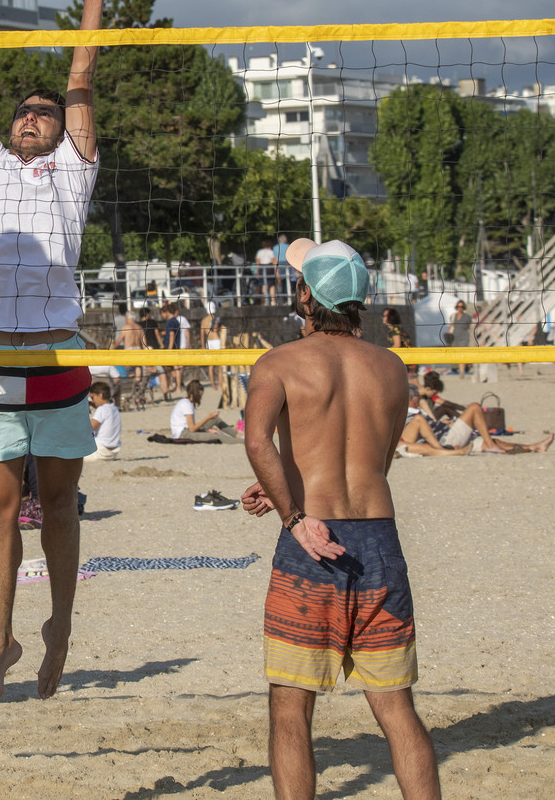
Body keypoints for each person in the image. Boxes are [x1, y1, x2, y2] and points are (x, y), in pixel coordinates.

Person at [0, 0, 124, 711]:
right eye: (24, 112)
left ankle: (59, 622)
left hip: (53, 354)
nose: (31, 117)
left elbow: (81, 75)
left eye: (44, 113)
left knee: (57, 503)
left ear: (62, 130)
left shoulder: (74, 170)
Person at [238, 238, 440, 799]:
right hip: (378, 537)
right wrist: (284, 488)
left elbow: (257, 442)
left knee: (290, 712)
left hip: (312, 541)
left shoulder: (278, 362)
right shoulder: (392, 368)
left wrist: (294, 512)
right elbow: (371, 459)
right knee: (398, 710)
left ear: (306, 295)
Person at [417, 371, 554, 453]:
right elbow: (444, 404)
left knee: (496, 442)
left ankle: (534, 447)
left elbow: (445, 404)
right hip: (443, 436)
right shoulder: (418, 402)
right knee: (473, 408)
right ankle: (480, 431)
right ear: (429, 389)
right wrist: (463, 411)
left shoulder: (425, 398)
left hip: (443, 431)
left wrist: (458, 413)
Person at [84, 382, 121, 461]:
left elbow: (88, 429)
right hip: (113, 451)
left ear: (100, 395)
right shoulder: (114, 408)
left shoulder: (102, 409)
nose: (92, 401)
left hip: (101, 450)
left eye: (92, 397)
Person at [448, 300, 473, 374]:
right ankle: (459, 369)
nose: (460, 308)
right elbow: (451, 326)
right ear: (456, 307)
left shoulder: (467, 317)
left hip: (464, 337)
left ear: (464, 307)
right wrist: (448, 333)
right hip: (454, 338)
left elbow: (469, 327)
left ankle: (462, 371)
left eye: (462, 306)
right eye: (458, 306)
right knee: (456, 354)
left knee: (462, 353)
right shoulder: (452, 316)